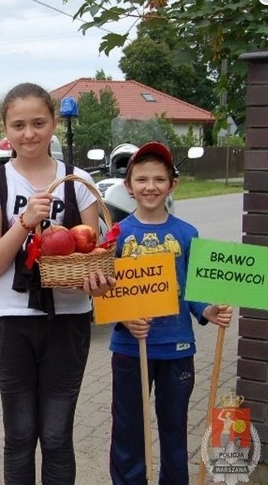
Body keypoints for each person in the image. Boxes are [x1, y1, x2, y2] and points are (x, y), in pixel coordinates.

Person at [0, 82, 116, 484]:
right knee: (19, 435)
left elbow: (92, 259)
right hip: (11, 320)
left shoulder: (77, 181)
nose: (29, 133)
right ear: (5, 128)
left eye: (38, 122)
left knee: (55, 435)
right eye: (18, 124)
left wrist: (99, 283)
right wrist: (25, 222)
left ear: (54, 123)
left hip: (68, 320)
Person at [108, 141, 233, 485]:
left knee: (174, 429)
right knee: (128, 430)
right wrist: (123, 317)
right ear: (129, 185)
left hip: (177, 349)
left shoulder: (187, 234)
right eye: (142, 179)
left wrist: (209, 309)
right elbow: (105, 290)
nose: (151, 187)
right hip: (131, 349)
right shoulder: (116, 236)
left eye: (159, 179)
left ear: (172, 184)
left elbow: (194, 292)